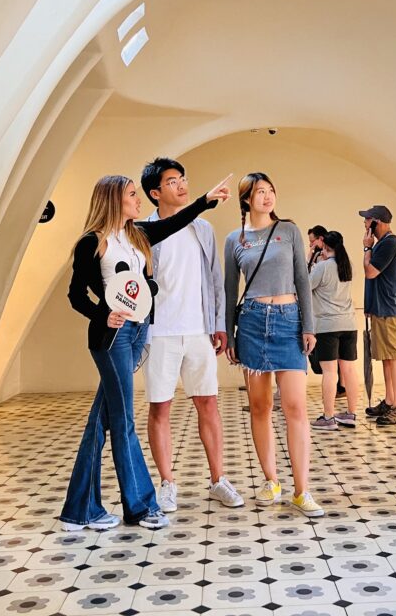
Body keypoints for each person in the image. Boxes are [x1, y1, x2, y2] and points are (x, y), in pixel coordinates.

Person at [60, 173, 231, 532]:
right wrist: (102, 313)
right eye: (133, 196)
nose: (139, 202)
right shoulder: (94, 242)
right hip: (111, 339)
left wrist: (205, 200)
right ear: (114, 201)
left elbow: (174, 222)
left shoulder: (137, 235)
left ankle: (79, 510)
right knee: (124, 423)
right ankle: (140, 507)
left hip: (138, 333)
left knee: (99, 424)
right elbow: (76, 295)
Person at [139, 158, 244, 512]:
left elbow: (215, 279)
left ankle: (218, 480)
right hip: (159, 332)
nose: (182, 185)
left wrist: (218, 323)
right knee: (161, 408)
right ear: (155, 193)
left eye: (183, 178)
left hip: (198, 330)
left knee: (209, 405)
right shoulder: (143, 231)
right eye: (172, 182)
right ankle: (167, 483)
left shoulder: (202, 228)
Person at [224, 173, 323, 517]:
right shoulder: (235, 240)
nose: (267, 197)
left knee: (295, 406)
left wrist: (308, 327)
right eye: (259, 192)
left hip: (288, 319)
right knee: (260, 407)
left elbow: (301, 279)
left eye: (270, 191)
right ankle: (271, 481)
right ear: (246, 200)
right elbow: (228, 290)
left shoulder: (290, 232)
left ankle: (302, 490)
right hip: (251, 321)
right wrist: (229, 333)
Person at [360, 205, 396, 426]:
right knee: (386, 359)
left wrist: (366, 248)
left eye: (367, 220)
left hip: (388, 310)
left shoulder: (389, 243)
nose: (364, 224)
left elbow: (370, 272)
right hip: (380, 309)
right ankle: (389, 401)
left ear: (377, 222)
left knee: (392, 358)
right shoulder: (383, 244)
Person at [308, 231, 360, 431]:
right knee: (349, 370)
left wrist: (313, 260)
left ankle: (328, 417)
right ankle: (351, 413)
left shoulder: (322, 267)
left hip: (327, 326)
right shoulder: (348, 266)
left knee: (330, 372)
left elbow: (305, 286)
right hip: (349, 324)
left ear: (324, 246)